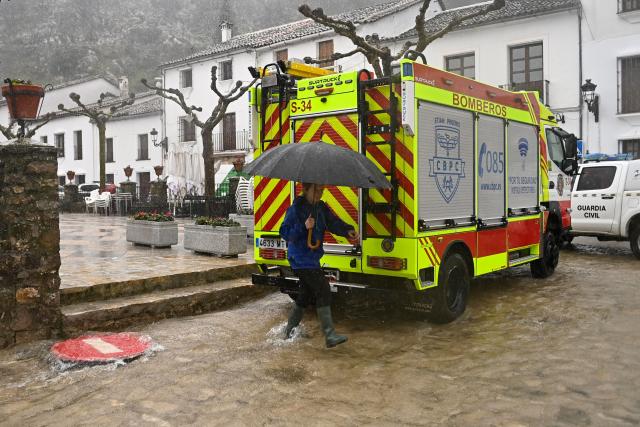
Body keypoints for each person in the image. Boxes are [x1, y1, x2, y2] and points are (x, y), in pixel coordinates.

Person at [279, 182, 359, 348]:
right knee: (323, 289)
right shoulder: (295, 209)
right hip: (300, 259)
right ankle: (329, 335)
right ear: (306, 189)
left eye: (322, 190)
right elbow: (285, 233)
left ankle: (288, 331)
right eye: (316, 190)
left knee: (305, 294)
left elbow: (333, 222)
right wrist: (304, 226)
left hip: (312, 258)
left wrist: (347, 230)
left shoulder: (320, 208)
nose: (320, 193)